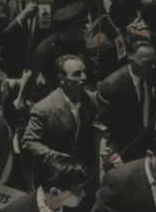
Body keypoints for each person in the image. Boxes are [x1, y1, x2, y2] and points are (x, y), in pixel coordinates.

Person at [22, 55, 99, 185]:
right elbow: (29, 142)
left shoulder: (89, 99)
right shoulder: (44, 108)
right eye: (77, 74)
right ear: (62, 79)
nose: (84, 77)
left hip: (84, 176)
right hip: (55, 178)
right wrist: (58, 158)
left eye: (84, 71)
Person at [94, 37, 156, 163]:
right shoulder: (111, 85)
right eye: (147, 63)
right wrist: (112, 154)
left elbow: (149, 101)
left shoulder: (149, 74)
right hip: (123, 151)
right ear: (131, 61)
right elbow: (101, 123)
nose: (153, 67)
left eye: (155, 62)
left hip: (146, 145)